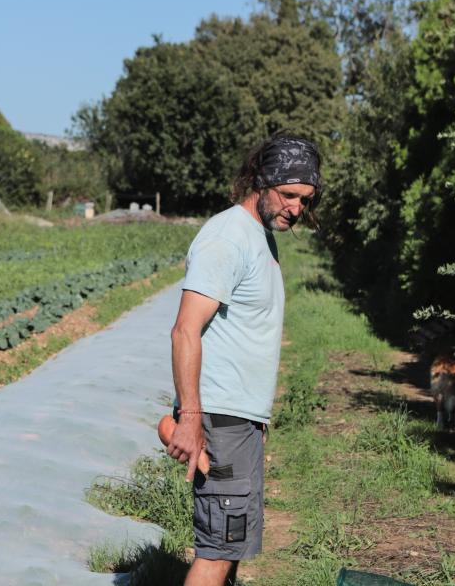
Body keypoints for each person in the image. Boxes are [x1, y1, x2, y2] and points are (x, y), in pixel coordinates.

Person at [167, 131, 322, 586]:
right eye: (289, 194)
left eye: (306, 200)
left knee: (231, 545)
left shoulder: (259, 236)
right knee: (217, 550)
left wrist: (255, 422)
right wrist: (191, 418)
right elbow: (184, 331)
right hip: (220, 417)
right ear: (261, 180)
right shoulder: (228, 238)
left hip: (239, 420)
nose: (296, 208)